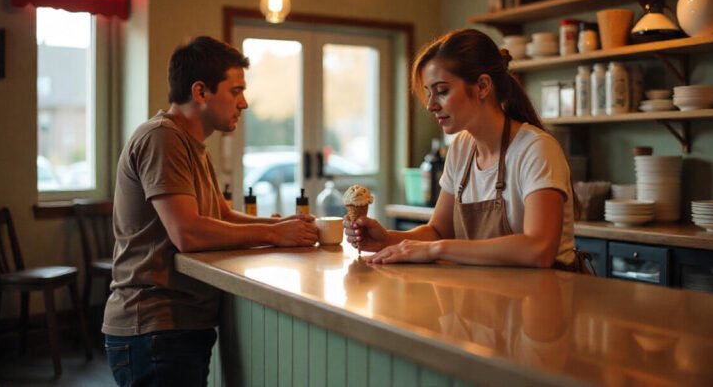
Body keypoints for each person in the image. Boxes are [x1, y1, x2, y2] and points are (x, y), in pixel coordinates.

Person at [102, 36, 318, 386]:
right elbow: (187, 233)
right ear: (201, 92)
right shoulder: (162, 138)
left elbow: (222, 216)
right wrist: (273, 233)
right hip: (154, 326)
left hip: (179, 325)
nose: (244, 103)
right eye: (236, 91)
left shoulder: (193, 144)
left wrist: (282, 224)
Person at [346, 28, 580, 270]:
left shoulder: (535, 149)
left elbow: (539, 249)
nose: (431, 105)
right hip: (487, 298)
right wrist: (385, 239)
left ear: (482, 86)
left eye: (442, 91)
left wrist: (437, 249)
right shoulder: (462, 148)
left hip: (543, 300)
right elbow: (438, 230)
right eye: (428, 93)